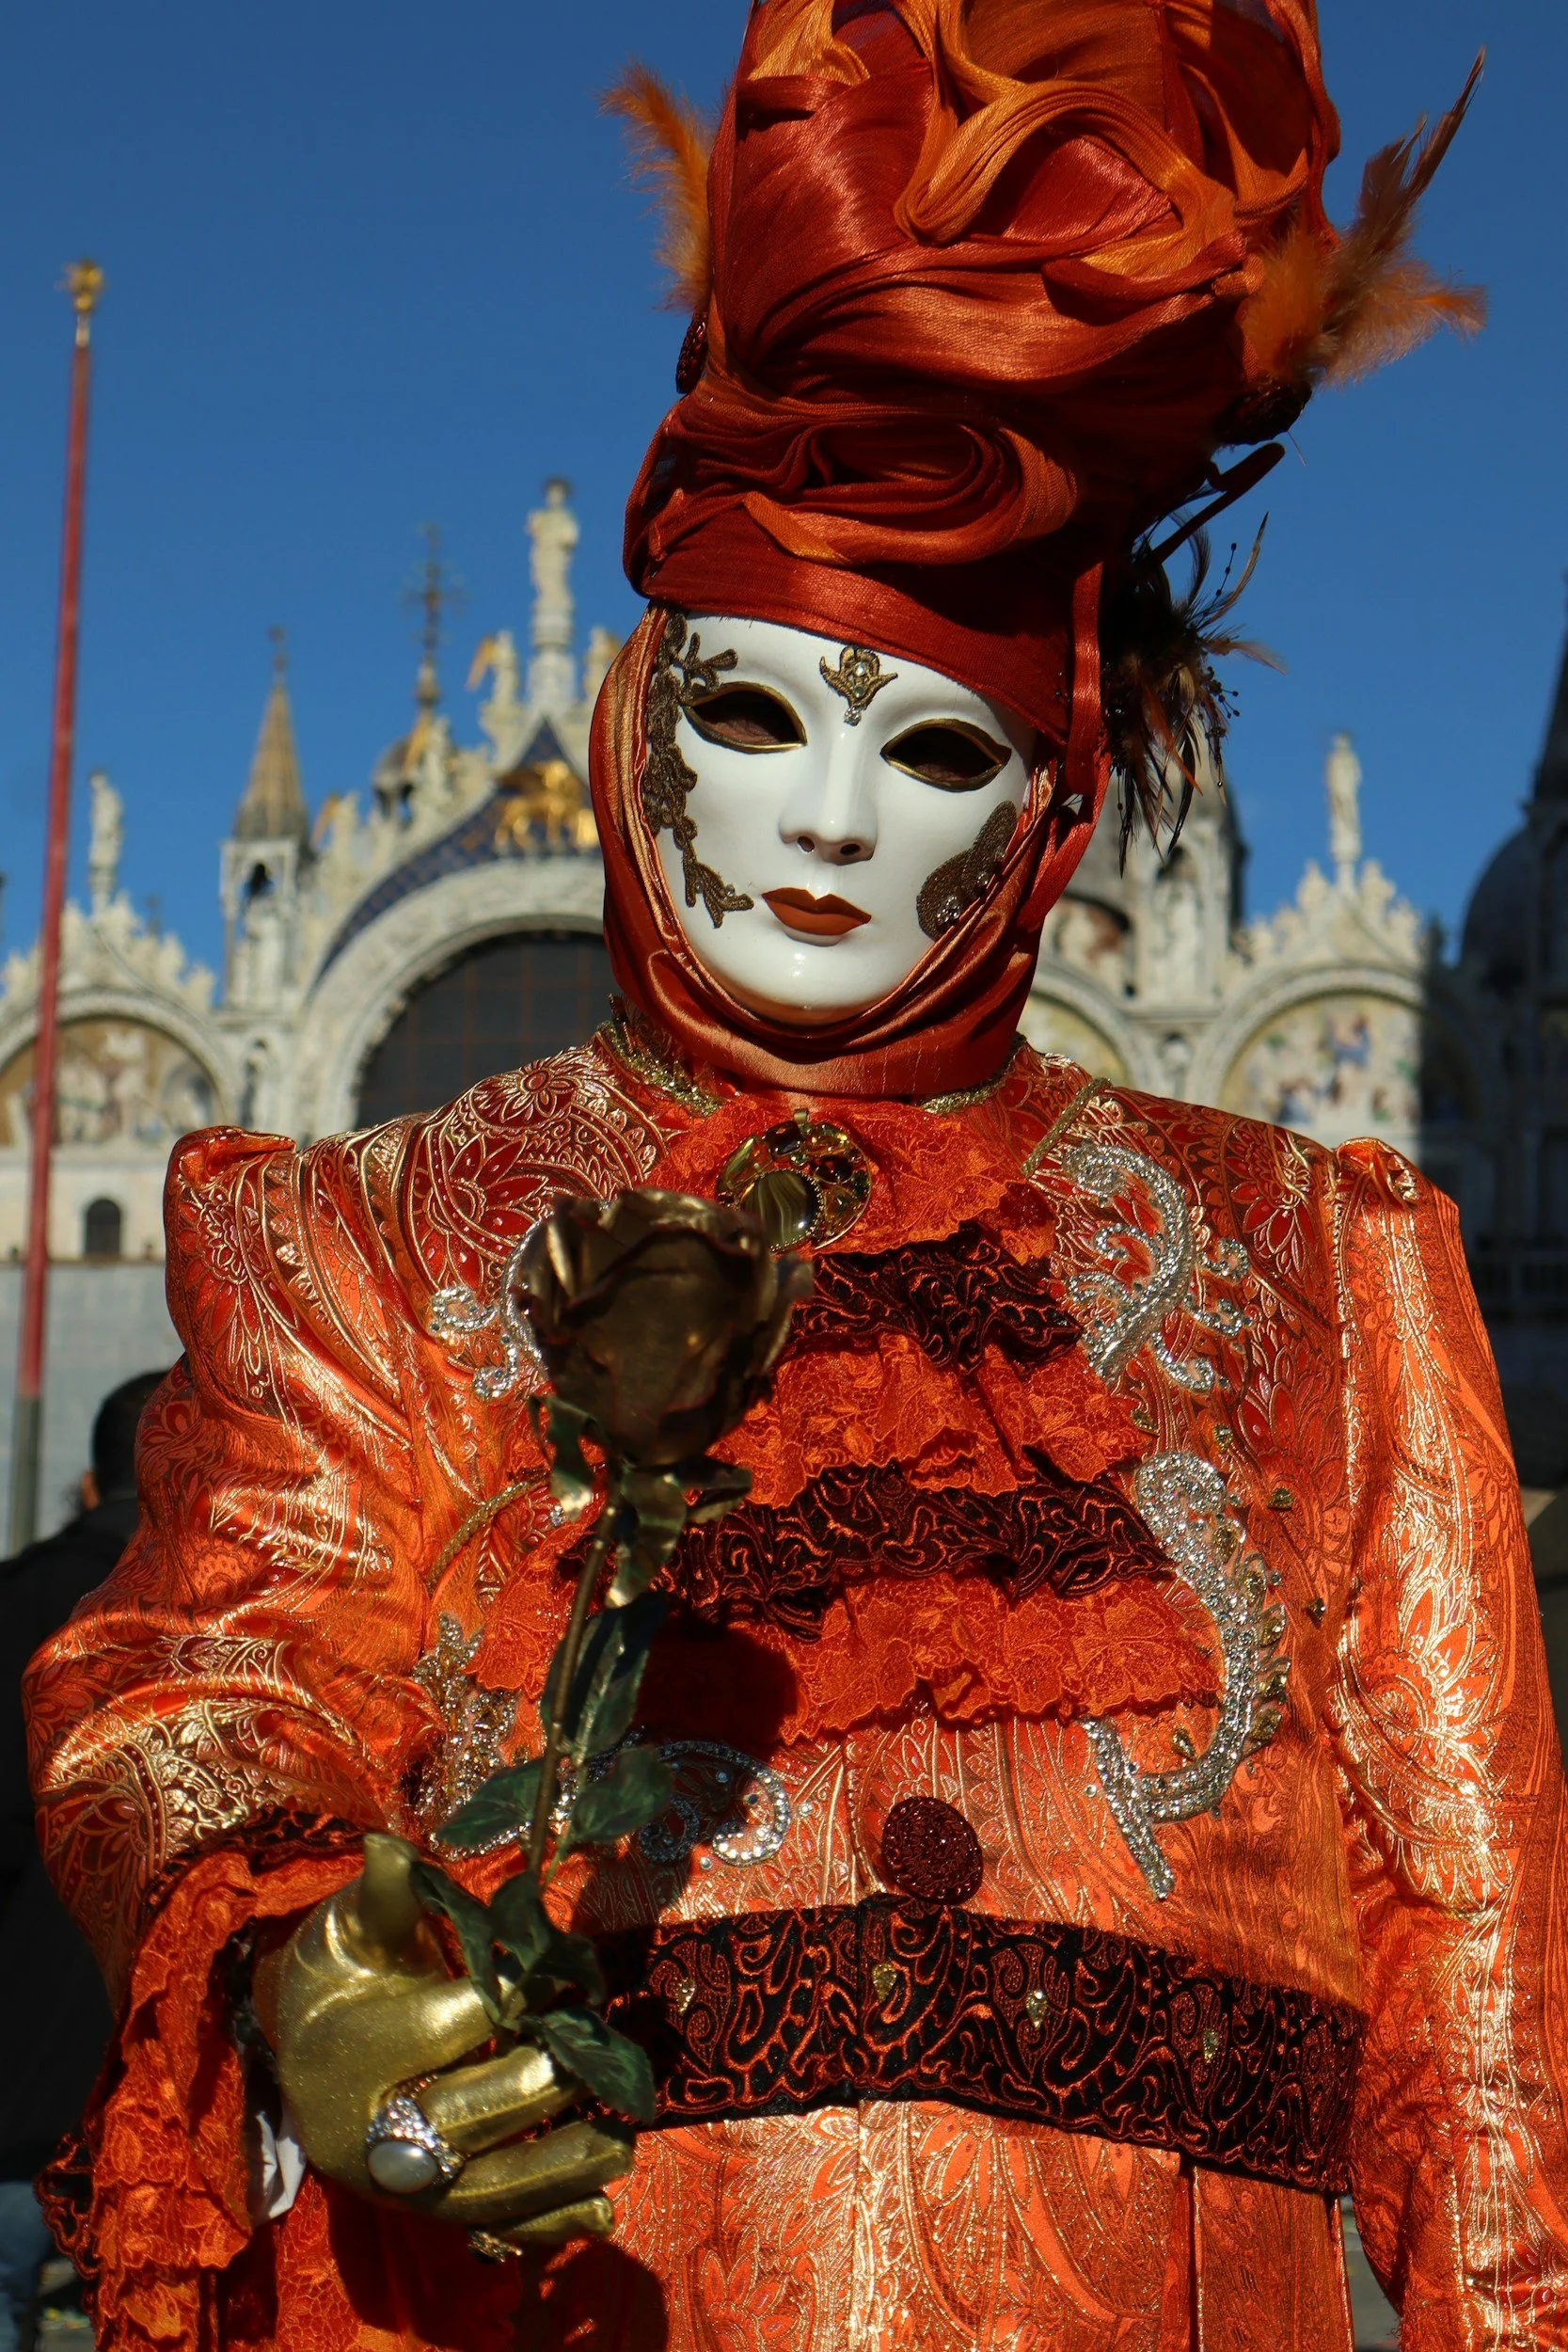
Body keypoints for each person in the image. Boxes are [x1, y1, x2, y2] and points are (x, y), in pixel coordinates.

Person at [25, 8, 1567, 2348]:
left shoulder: (1314, 1281)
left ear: (1050, 814)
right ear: (641, 727)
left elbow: (1488, 2027)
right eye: (752, 712)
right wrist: (305, 1956)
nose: (831, 824)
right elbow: (199, 1674)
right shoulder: (376, 1238)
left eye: (934, 747)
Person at [0, 1372, 166, 2349]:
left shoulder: (22, 1603)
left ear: (93, 1483)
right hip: (185, 2094)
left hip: (16, 2081)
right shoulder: (248, 1618)